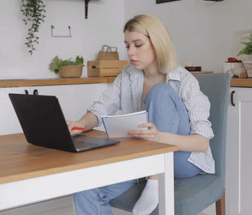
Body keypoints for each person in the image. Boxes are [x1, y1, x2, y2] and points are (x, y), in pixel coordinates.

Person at [67, 14, 215, 215]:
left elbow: (202, 143)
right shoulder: (127, 75)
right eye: (127, 46)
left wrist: (159, 137)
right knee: (85, 188)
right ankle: (150, 170)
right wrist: (77, 126)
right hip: (139, 157)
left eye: (138, 45)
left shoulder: (185, 80)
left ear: (157, 44)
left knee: (160, 92)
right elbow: (101, 108)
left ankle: (155, 179)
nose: (130, 52)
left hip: (181, 158)